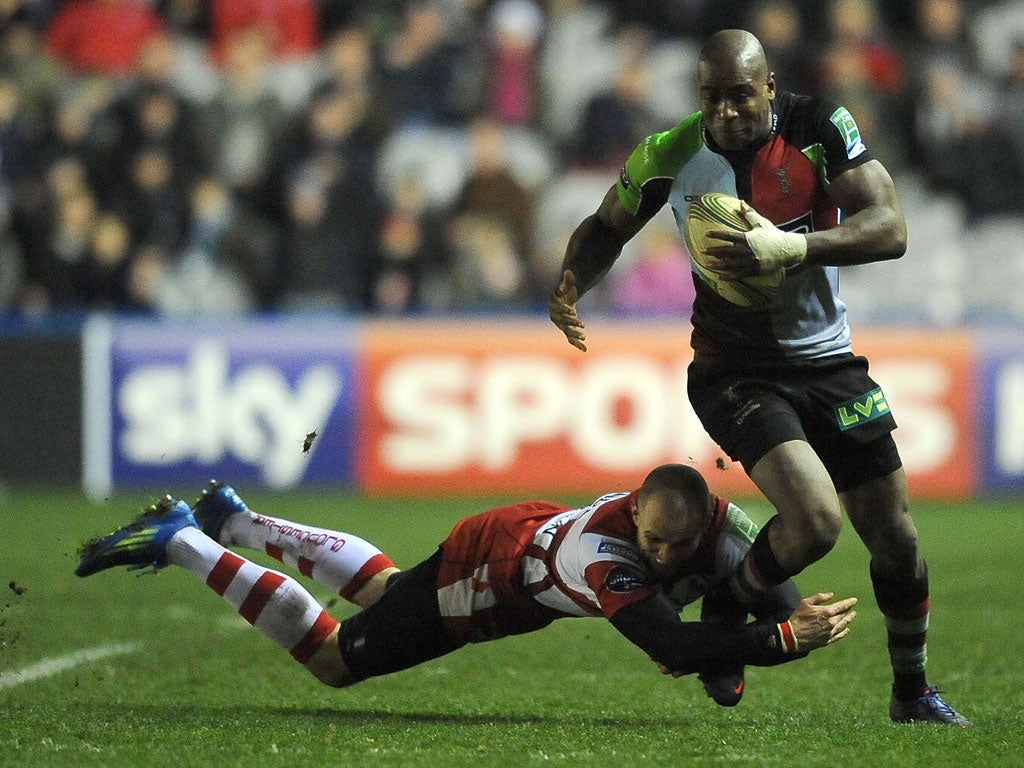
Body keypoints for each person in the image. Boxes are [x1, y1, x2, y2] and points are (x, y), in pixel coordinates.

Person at [548, 29, 971, 727]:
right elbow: (606, 226)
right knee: (814, 520)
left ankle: (912, 692)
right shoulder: (671, 152)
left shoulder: (819, 127)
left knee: (896, 536)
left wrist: (795, 247)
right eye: (711, 98)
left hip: (829, 362)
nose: (726, 113)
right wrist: (569, 284)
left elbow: (890, 226)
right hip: (734, 371)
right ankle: (729, 604)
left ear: (769, 86)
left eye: (740, 95)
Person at [75, 464, 858, 705]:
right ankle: (181, 541)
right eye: (652, 540)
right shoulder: (607, 557)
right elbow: (668, 645)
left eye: (674, 544)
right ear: (638, 520)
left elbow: (769, 581)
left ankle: (235, 522)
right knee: (336, 659)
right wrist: (780, 641)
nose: (660, 554)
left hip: (514, 535)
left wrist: (775, 621)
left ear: (703, 521)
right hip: (495, 578)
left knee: (386, 592)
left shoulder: (721, 522)